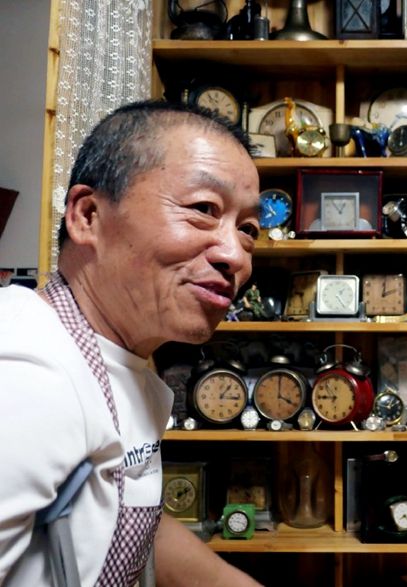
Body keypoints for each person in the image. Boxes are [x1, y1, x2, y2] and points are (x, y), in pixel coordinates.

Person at [0, 100, 264, 586]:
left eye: (248, 230)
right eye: (203, 209)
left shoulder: (121, 359)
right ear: (88, 216)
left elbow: (120, 515)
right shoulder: (26, 370)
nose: (236, 256)